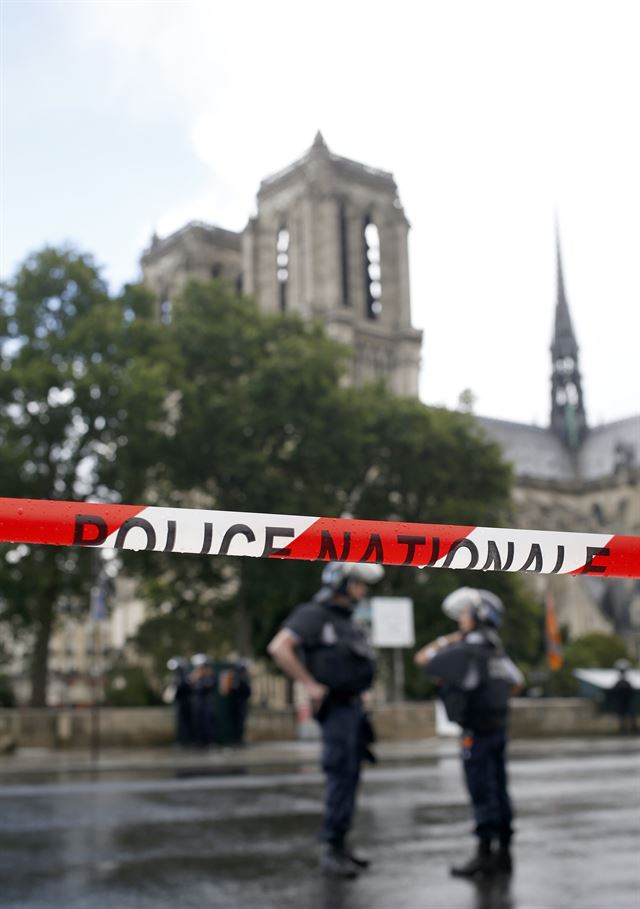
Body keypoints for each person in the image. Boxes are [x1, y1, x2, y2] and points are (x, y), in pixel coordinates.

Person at [267, 561, 384, 879]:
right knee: (339, 775)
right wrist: (308, 683)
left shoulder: (348, 621)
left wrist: (361, 693)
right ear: (342, 583)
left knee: (351, 776)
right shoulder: (314, 614)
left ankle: (342, 845)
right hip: (334, 708)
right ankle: (332, 850)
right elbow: (280, 647)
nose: (362, 590)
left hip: (353, 709)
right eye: (358, 583)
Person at [415, 587, 523, 880]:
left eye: (465, 613)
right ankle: (505, 854)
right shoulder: (497, 652)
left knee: (481, 791)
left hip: (476, 733)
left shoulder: (464, 651)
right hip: (498, 729)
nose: (461, 619)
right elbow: (516, 682)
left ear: (479, 616)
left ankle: (484, 854)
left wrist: (448, 639)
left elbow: (423, 659)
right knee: (499, 790)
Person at [167, 657, 194, 746]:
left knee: (185, 723)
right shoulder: (177, 678)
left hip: (185, 703)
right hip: (180, 703)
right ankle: (182, 740)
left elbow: (184, 688)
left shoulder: (184, 678)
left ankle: (186, 740)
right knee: (180, 723)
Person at [609, 659, 637, 735]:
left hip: (627, 702)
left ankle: (633, 729)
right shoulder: (619, 682)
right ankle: (624, 730)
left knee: (631, 716)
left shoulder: (626, 682)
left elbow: (632, 692)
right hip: (622, 703)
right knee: (622, 717)